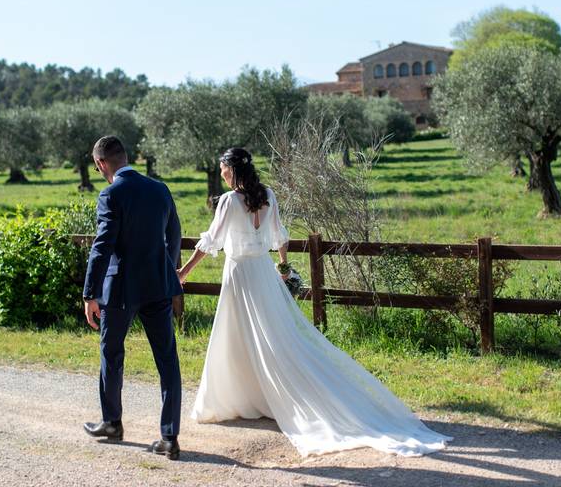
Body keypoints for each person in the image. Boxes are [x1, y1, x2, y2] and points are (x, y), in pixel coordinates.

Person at [178, 147, 451, 457]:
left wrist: (183, 273)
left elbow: (210, 240)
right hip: (264, 273)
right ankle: (256, 394)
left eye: (224, 170)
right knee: (275, 335)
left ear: (233, 170)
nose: (223, 175)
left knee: (239, 334)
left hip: (240, 274)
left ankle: (244, 397)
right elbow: (280, 235)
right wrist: (283, 267)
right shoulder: (267, 193)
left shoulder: (229, 201)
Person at [82, 135, 184, 460]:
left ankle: (112, 423)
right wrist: (165, 269)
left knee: (111, 354)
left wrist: (89, 293)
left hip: (121, 291)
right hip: (158, 287)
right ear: (126, 157)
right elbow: (175, 236)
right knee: (167, 359)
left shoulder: (110, 194)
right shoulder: (160, 189)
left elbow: (102, 247)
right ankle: (170, 438)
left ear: (100, 164)